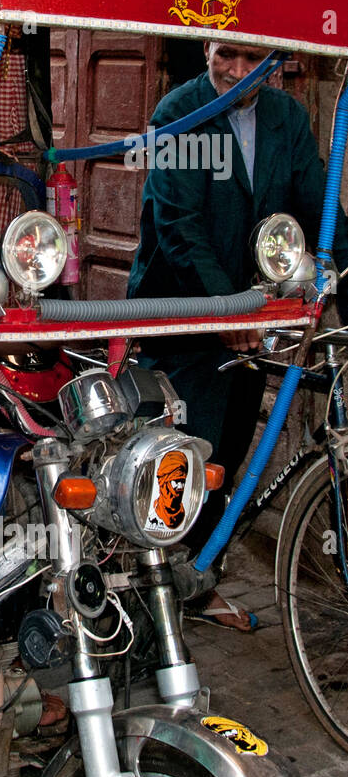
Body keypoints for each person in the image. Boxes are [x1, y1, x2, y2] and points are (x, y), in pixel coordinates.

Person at [128, 39, 348, 630]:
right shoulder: (179, 113)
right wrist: (228, 311)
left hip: (249, 316)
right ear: (206, 47)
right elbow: (179, 227)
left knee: (227, 451)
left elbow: (318, 200)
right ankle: (155, 593)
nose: (237, 72)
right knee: (183, 456)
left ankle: (199, 582)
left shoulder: (285, 117)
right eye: (227, 54)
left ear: (276, 61)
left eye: (254, 61)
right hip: (183, 311)